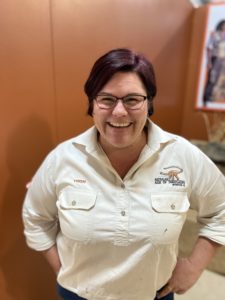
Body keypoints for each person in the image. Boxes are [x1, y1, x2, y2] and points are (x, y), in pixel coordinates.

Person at [22, 48, 225, 300]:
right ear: (92, 104)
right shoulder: (63, 159)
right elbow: (36, 218)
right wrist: (63, 270)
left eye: (132, 99)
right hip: (78, 294)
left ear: (149, 103)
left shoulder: (182, 156)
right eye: (106, 99)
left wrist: (194, 266)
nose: (119, 112)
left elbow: (221, 209)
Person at [203, 20, 225, 103]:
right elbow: (209, 47)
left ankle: (213, 96)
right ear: (221, 26)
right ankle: (206, 97)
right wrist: (209, 61)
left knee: (219, 79)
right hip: (216, 59)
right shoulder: (215, 34)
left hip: (223, 60)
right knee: (212, 77)